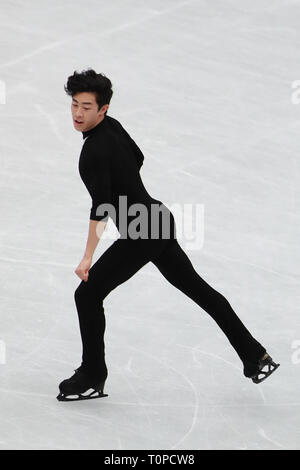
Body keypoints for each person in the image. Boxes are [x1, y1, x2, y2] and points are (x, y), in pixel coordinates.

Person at [56, 69, 279, 402]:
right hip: (156, 218)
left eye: (86, 107)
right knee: (197, 288)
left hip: (141, 232)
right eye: (75, 104)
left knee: (86, 295)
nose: (78, 113)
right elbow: (138, 158)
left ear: (102, 109)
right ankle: (254, 355)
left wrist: (88, 256)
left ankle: (92, 375)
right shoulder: (113, 127)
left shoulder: (93, 152)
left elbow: (101, 205)